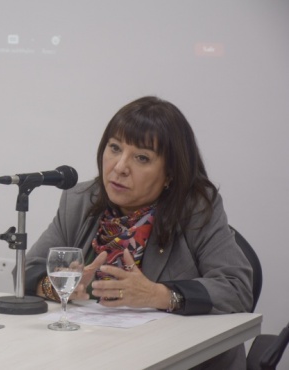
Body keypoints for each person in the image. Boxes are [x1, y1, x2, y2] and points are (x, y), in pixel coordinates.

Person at [24, 96, 253, 369]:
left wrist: (158, 295)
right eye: (114, 148)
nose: (120, 167)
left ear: (170, 174)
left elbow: (236, 288)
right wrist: (62, 289)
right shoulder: (80, 199)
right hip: (92, 354)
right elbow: (27, 270)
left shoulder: (196, 208)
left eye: (141, 157)